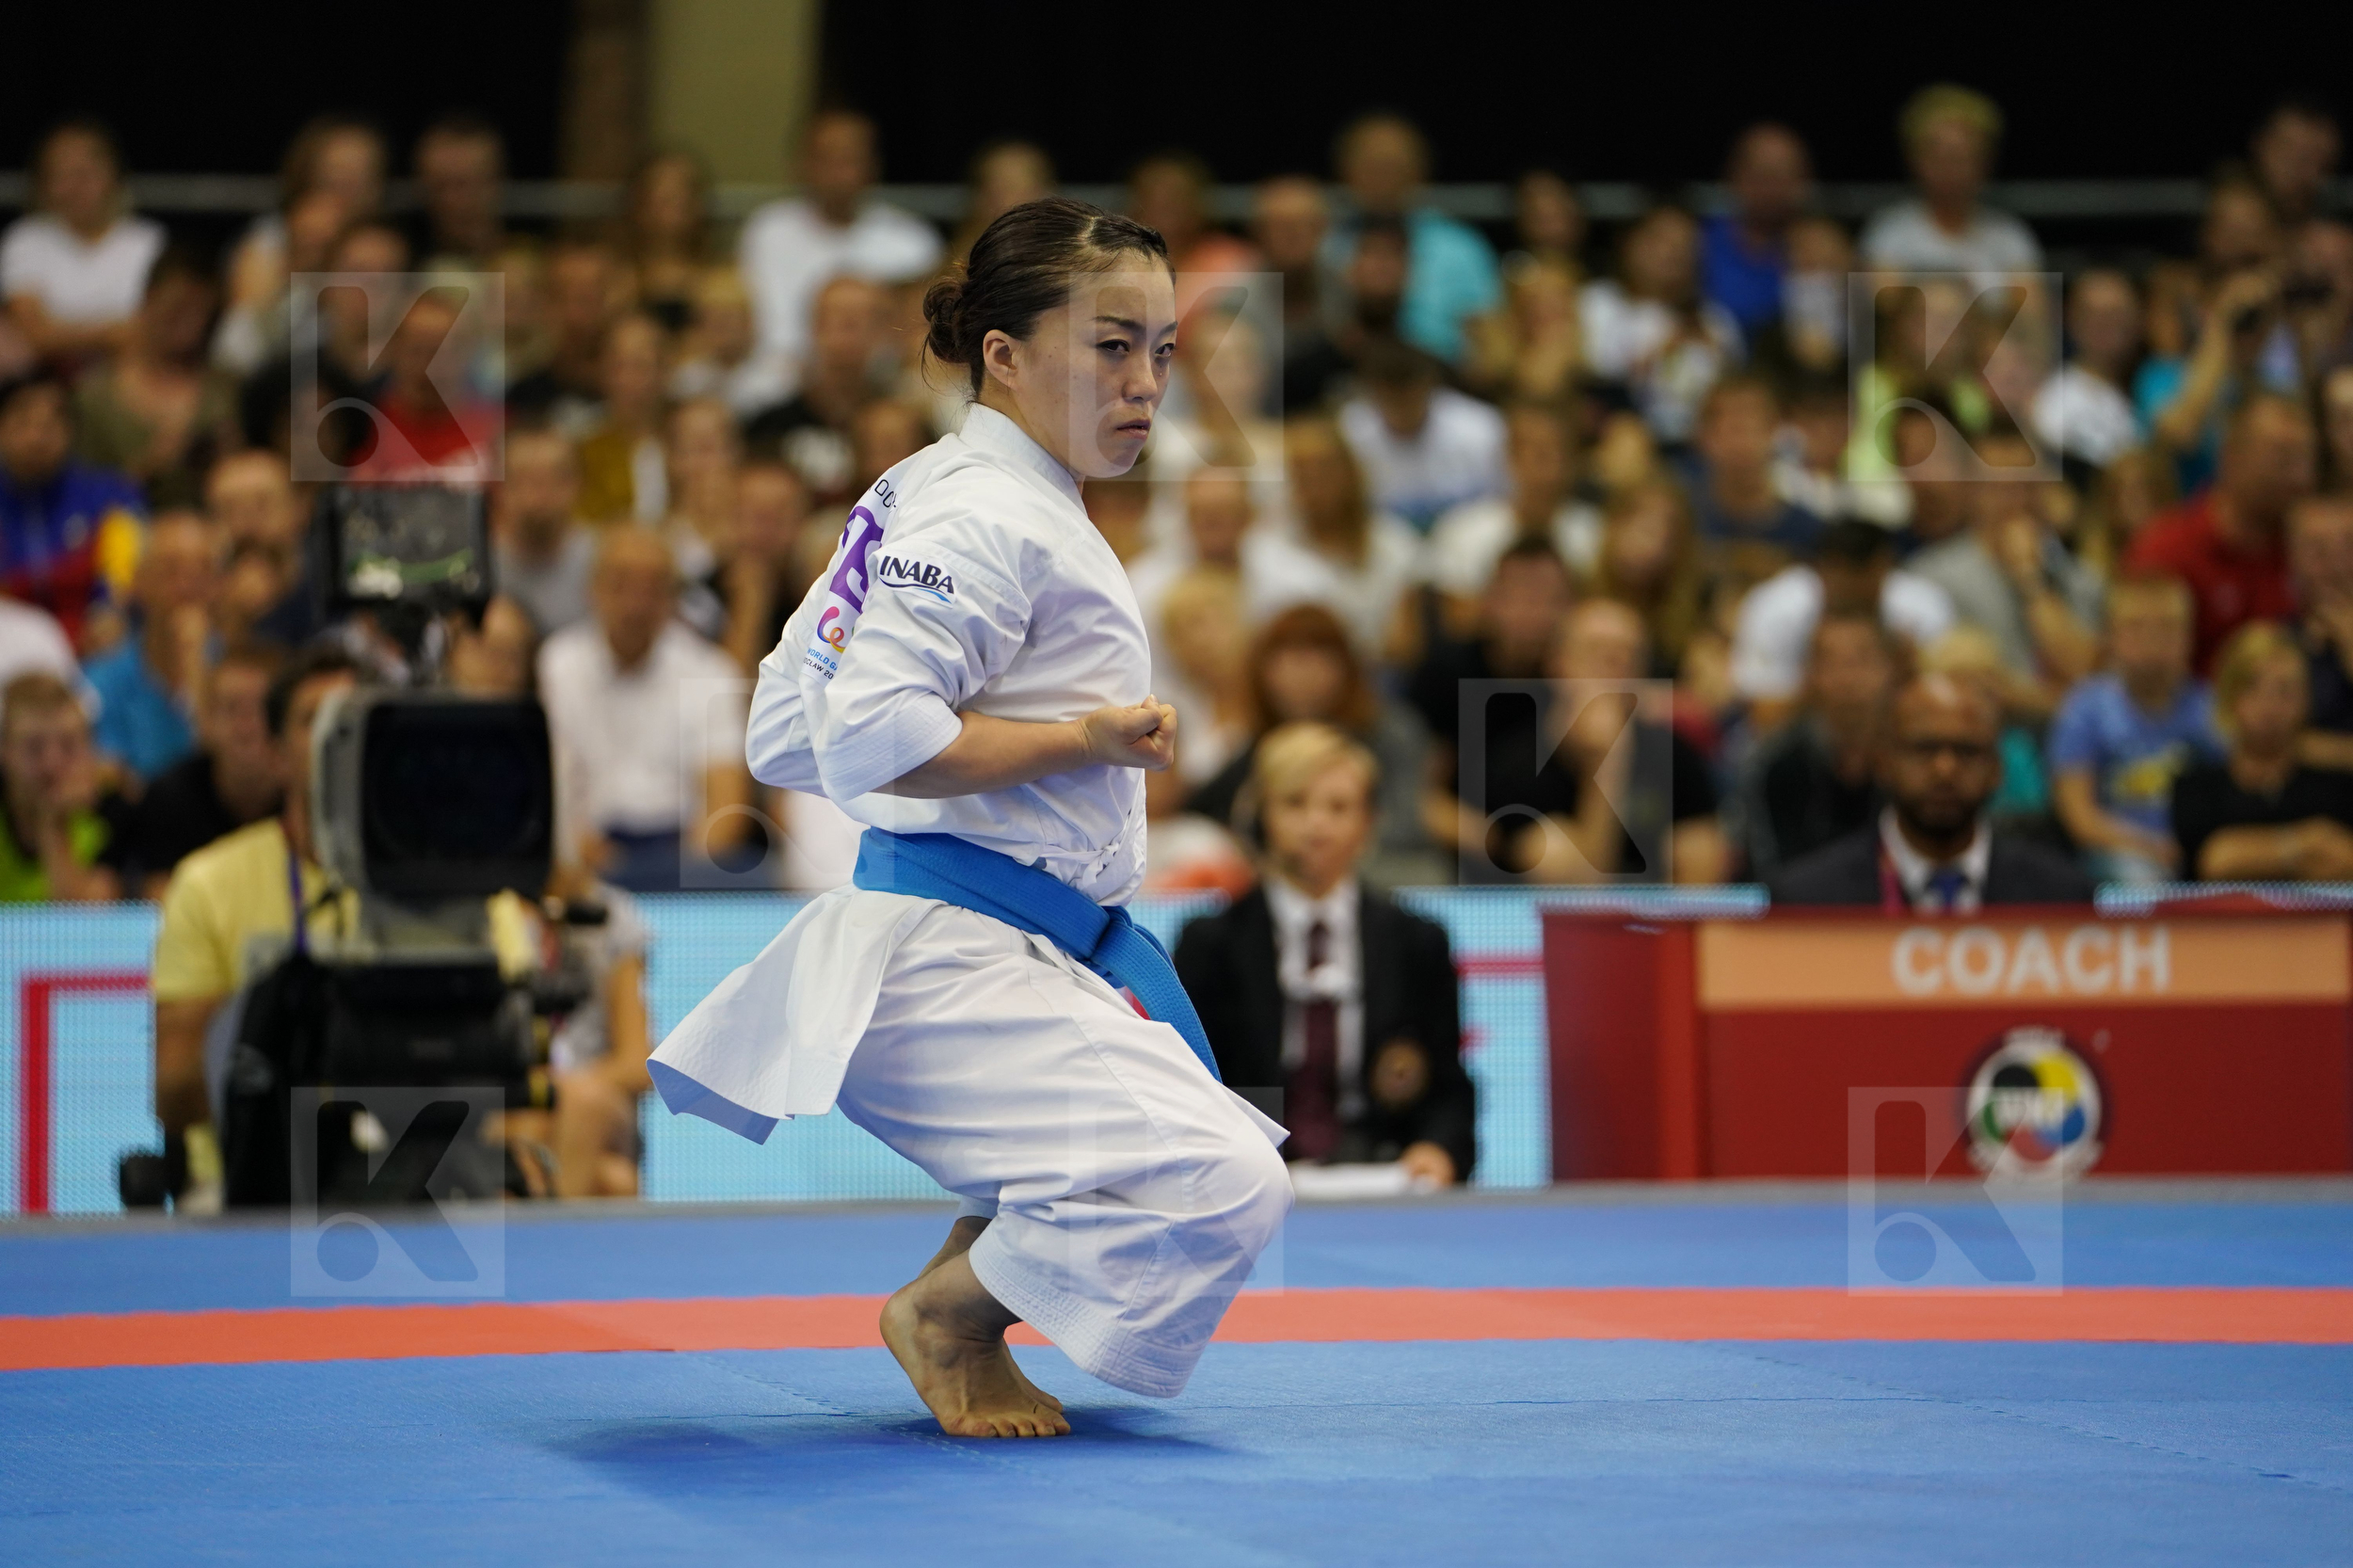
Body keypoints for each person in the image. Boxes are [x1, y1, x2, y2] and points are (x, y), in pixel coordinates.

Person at [648, 198, 1289, 1436]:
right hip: (956, 949)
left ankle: (984, 1254)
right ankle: (951, 1313)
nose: (1145, 381)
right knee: (1224, 1184)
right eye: (1110, 344)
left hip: (1000, 940)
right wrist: (1080, 740)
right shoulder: (984, 515)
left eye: (1161, 348)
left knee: (1193, 1151)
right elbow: (869, 733)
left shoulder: (928, 488)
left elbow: (787, 724)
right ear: (1003, 351)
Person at [1176, 723, 1473, 1182]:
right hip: (1250, 1178)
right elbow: (1188, 1085)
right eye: (1295, 803)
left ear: (1369, 821)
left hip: (1383, 1177)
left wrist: (1437, 1151)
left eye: (1338, 807)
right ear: (1260, 815)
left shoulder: (1417, 942)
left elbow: (1448, 1088)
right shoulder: (1210, 945)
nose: (1317, 824)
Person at [151, 648, 362, 1212]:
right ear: (275, 755)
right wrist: (268, 1021)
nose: (338, 736)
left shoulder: (451, 887)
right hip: (247, 1183)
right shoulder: (207, 883)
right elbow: (171, 1093)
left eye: (354, 715)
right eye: (314, 718)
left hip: (420, 1176)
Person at [536, 530, 750, 893]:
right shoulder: (558, 665)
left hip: (681, 849)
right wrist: (577, 846)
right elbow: (551, 779)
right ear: (592, 589)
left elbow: (725, 804)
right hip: (588, 846)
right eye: (620, 584)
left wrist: (686, 870)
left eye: (653, 587)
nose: (635, 603)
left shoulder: (712, 670)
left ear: (674, 598)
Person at [1769, 672, 2093, 908]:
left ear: (1997, 770)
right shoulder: (1810, 900)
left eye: (1966, 751)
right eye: (1924, 749)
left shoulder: (2060, 897)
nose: (1945, 769)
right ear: (1883, 762)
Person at [1186, 604, 1445, 891]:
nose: (1302, 674)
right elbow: (1203, 809)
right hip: (1279, 881)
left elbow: (1407, 823)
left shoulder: (1392, 732)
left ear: (1346, 668)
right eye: (1289, 660)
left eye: (1318, 659)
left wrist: (1324, 850)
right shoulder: (1262, 742)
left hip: (1381, 874)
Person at [1482, 599, 1728, 886]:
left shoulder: (1675, 755)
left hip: (1654, 921)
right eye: (1598, 652)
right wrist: (1608, 761)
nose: (1616, 666)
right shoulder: (1515, 763)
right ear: (1558, 663)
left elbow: (1703, 884)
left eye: (1629, 655)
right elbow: (1580, 891)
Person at [1907, 423, 2103, 713]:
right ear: (1971, 491)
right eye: (1999, 487)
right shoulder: (1930, 579)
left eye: (2027, 486)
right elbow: (1969, 690)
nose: (2016, 502)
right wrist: (2062, 703)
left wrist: (2030, 582)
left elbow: (2092, 678)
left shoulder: (2080, 580)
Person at [2047, 575, 2220, 885]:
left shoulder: (2211, 708)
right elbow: (2079, 817)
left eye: (2167, 628)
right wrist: (2148, 846)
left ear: (2190, 638)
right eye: (2137, 628)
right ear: (2109, 638)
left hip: (2198, 852)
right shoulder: (2087, 708)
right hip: (2116, 856)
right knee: (2138, 876)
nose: (2153, 641)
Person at [738, 109, 941, 371]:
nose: (837, 172)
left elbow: (920, 337)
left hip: (884, 380)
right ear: (802, 164)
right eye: (826, 158)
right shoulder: (766, 231)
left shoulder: (912, 242)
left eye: (849, 159)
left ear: (873, 165)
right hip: (780, 377)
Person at [2126, 393, 2315, 673]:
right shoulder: (2169, 551)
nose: (2298, 477)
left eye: (2306, 460)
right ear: (2230, 455)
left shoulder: (2311, 553)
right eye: (2282, 458)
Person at [2170, 620, 2353, 881]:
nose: (2270, 705)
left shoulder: (2335, 788)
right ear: (2229, 697)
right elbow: (2216, 861)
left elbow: (2346, 862)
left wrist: (2256, 855)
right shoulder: (2196, 785)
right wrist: (2309, 842)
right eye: (2253, 687)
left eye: (2285, 691)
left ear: (2306, 701)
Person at [1732, 519, 1957, 725]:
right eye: (1839, 575)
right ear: (1820, 570)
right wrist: (1820, 685)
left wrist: (1910, 674)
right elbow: (1763, 715)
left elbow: (1949, 701)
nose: (1849, 590)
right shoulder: (1776, 607)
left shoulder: (1923, 607)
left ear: (1884, 568)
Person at [1321, 114, 1501, 366]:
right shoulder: (1326, 243)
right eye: (1371, 167)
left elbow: (1488, 337)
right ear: (1345, 172)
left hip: (1442, 381)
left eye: (1393, 167)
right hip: (1345, 377)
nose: (1382, 178)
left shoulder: (1461, 248)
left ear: (1420, 172)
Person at [1241, 413, 1422, 659]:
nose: (1314, 481)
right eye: (1302, 472)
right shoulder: (1264, 546)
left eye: (1324, 468)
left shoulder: (1395, 544)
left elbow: (1404, 646)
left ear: (1350, 472)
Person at [72, 247, 237, 509]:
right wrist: (149, 469)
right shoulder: (95, 396)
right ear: (149, 300)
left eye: (202, 310)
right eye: (178, 307)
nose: (190, 322)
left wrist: (230, 459)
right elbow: (77, 499)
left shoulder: (228, 388)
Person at [1733, 611, 1894, 881]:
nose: (1849, 678)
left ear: (1890, 670)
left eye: (1862, 661)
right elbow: (1771, 870)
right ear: (1809, 675)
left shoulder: (1914, 757)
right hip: (1801, 911)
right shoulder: (1774, 763)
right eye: (1833, 663)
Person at [1, 120, 166, 367]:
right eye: (60, 174)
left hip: (130, 379)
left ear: (113, 174)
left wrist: (62, 331)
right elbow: (31, 332)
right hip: (45, 380)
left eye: (85, 173)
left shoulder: (150, 241)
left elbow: (157, 331)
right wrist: (113, 332)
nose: (75, 187)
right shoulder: (26, 239)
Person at [0, 370, 145, 649]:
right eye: (22, 424)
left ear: (71, 432)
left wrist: (110, 612)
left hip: (94, 644)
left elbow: (122, 580)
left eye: (49, 427)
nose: (36, 438)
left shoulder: (113, 497)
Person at [1425, 399, 1601, 628]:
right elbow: (1457, 621)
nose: (1555, 470)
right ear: (1511, 458)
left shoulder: (1595, 532)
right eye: (1542, 456)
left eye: (1564, 456)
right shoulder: (1463, 531)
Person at [128, 641, 284, 895]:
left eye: (260, 710)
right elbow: (158, 900)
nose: (245, 728)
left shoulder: (307, 798)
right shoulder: (168, 797)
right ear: (206, 721)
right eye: (231, 709)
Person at [1580, 205, 1742, 446]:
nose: (1672, 254)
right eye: (1661, 240)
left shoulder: (1715, 321)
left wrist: (1718, 357)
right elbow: (1591, 387)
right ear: (1630, 242)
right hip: (1617, 441)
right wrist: (1659, 352)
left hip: (1700, 447)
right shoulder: (1596, 303)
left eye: (1684, 245)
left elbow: (1737, 397)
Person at [83, 509, 217, 783]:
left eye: (202, 570)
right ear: (139, 582)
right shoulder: (100, 682)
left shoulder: (239, 668)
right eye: (171, 570)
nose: (187, 587)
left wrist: (197, 675)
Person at [1858, 85, 2042, 284]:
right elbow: (1883, 307)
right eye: (1938, 157)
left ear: (1986, 162)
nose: (1950, 169)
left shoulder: (2010, 236)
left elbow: (2030, 312)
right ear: (1914, 160)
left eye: (1961, 157)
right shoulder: (1889, 232)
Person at [745, 274, 890, 504]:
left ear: (883, 333)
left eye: (861, 320)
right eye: (837, 320)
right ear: (813, 328)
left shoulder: (906, 428)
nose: (848, 332)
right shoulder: (768, 427)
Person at [1337, 337, 1506, 531]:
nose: (1402, 409)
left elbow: (1503, 507)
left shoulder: (1481, 429)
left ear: (1429, 386)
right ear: (1372, 394)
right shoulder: (1346, 436)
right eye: (1391, 400)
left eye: (1409, 398)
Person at [0, 669, 136, 902]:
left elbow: (84, 926)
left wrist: (52, 824)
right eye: (34, 747)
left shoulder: (112, 809)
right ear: (5, 750)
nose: (52, 764)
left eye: (68, 745)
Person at [1683, 375, 1823, 584]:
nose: (1743, 443)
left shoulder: (1811, 532)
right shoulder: (1678, 523)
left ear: (1775, 433)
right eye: (1732, 428)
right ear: (1704, 437)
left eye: (1754, 427)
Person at [1702, 124, 1813, 341]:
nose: (1771, 186)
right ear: (1733, 174)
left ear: (1804, 179)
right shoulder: (1698, 244)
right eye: (1761, 173)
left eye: (1783, 173)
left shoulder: (1822, 251)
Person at [2031, 269, 2144, 474]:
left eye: (2118, 312)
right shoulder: (2055, 404)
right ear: (2071, 319)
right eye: (2094, 313)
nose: (2108, 323)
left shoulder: (2150, 384)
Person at [491, 428, 597, 637]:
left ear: (577, 484)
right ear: (500, 488)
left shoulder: (603, 562)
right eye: (524, 479)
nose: (539, 495)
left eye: (554, 478)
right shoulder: (472, 567)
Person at [573, 312, 671, 523]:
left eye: (640, 366)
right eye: (618, 366)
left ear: (664, 371)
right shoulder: (581, 449)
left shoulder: (685, 443)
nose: (628, 380)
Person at [410, 114, 506, 269]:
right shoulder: (402, 265)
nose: (451, 199)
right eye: (440, 186)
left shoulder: (536, 265)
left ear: (495, 183)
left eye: (464, 184)